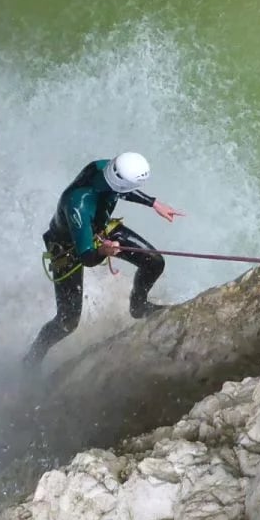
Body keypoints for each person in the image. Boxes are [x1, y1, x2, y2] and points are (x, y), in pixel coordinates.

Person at [23, 152, 183, 368]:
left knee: (154, 262)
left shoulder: (104, 167)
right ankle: (34, 355)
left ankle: (138, 306)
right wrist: (105, 252)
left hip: (99, 228)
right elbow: (87, 257)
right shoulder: (78, 204)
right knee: (67, 322)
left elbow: (121, 190)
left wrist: (153, 203)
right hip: (69, 250)